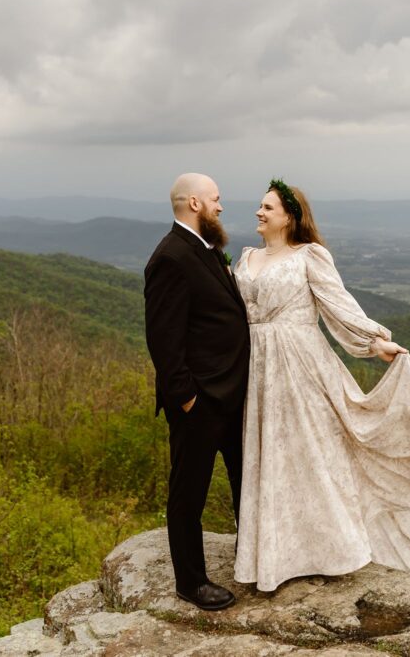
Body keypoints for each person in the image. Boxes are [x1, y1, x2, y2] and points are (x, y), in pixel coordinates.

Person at [232, 180, 410, 593]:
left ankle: (328, 550)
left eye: (267, 207)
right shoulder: (245, 259)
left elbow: (338, 305)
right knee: (273, 456)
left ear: (290, 216)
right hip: (257, 367)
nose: (258, 212)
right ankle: (276, 553)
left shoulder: (309, 257)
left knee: (317, 456)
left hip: (302, 366)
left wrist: (374, 342)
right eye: (260, 206)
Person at [144, 173, 250, 610]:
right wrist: (186, 397)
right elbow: (163, 339)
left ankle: (256, 561)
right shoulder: (171, 257)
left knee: (249, 482)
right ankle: (191, 582)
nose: (221, 207)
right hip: (200, 401)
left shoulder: (207, 249)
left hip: (231, 395)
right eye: (216, 199)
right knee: (189, 493)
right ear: (194, 203)